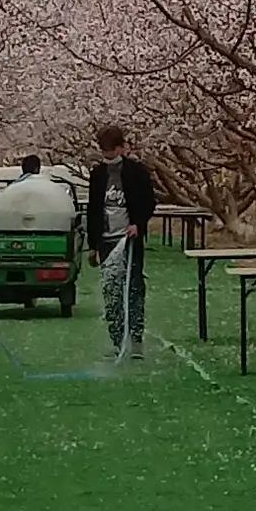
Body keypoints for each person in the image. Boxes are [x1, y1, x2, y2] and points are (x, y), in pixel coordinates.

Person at [84, 122, 158, 364]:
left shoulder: (137, 172)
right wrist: (93, 245)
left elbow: (148, 202)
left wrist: (138, 223)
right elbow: (93, 210)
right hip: (106, 241)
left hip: (129, 240)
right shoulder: (97, 175)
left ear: (121, 147)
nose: (108, 156)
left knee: (134, 288)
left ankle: (136, 339)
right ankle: (117, 340)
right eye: (105, 151)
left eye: (111, 150)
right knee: (111, 292)